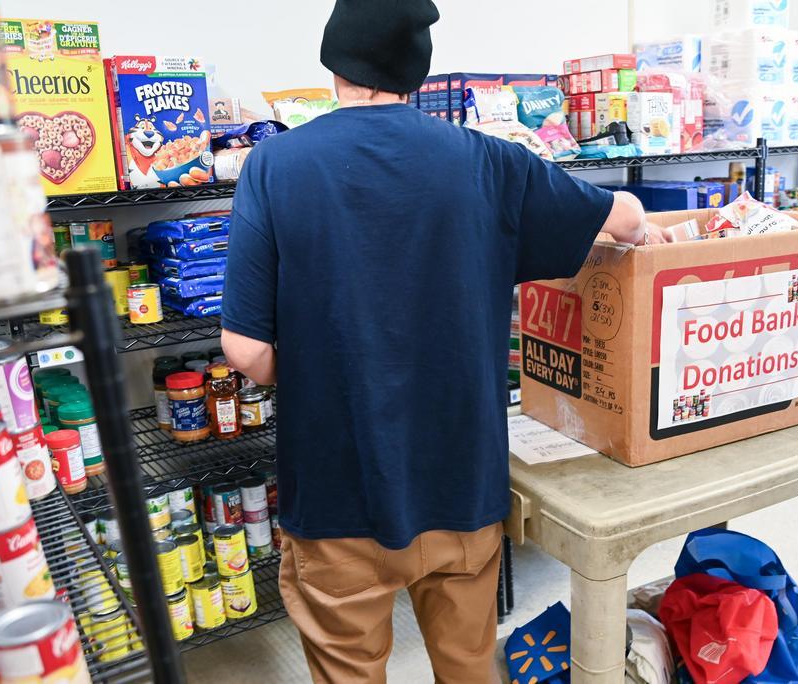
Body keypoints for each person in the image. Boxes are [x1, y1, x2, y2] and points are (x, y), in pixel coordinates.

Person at [220, 1, 654, 681]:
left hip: (335, 493)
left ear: (334, 62)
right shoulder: (491, 163)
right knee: (468, 666)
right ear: (417, 71)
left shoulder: (274, 166)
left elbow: (246, 352)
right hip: (460, 489)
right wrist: (645, 227)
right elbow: (622, 218)